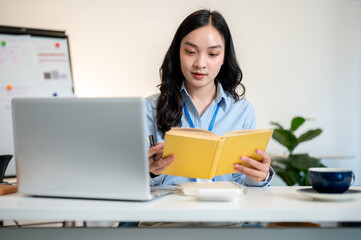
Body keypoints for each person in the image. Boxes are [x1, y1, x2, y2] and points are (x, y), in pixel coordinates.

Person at [146, 9, 273, 187]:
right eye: (191, 52)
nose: (200, 64)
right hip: (170, 213)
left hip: (224, 214)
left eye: (212, 54)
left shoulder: (242, 111)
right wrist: (149, 172)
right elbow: (132, 184)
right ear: (177, 53)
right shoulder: (149, 108)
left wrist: (261, 176)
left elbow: (246, 186)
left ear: (224, 57)